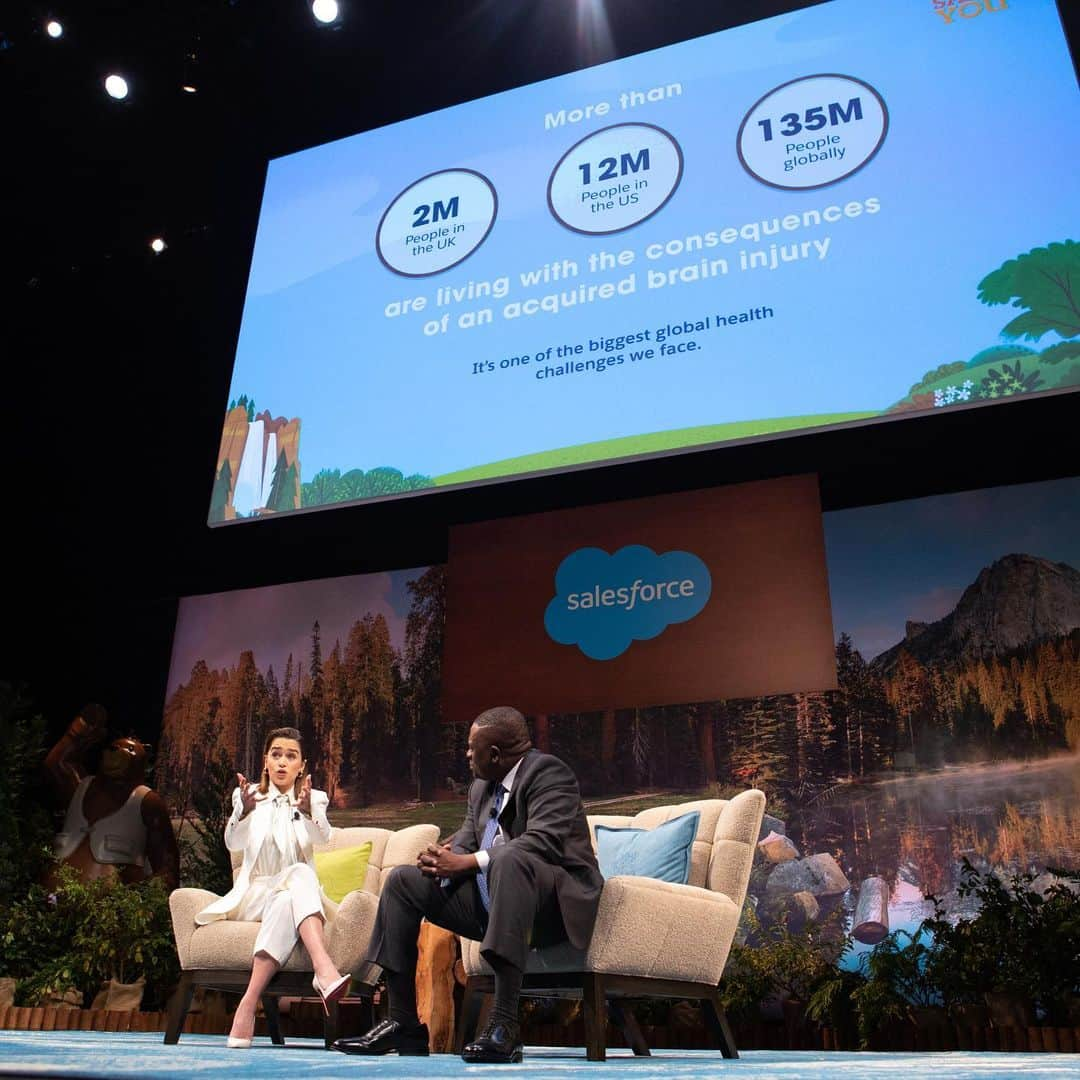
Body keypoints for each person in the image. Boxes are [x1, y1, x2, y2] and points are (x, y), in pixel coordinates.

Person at [333, 705, 604, 1064]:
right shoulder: (480, 787)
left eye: (471, 747)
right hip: (492, 900)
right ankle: (402, 1023)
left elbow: (542, 840)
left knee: (509, 859)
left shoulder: (549, 773)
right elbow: (468, 836)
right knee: (402, 881)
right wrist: (442, 859)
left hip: (550, 905)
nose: (466, 754)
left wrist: (465, 862)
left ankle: (505, 1025)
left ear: (494, 754)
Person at [195, 726, 349, 1048]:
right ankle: (324, 969)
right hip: (253, 895)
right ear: (265, 761)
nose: (282, 762)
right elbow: (232, 843)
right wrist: (244, 812)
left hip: (291, 898)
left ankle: (247, 1004)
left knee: (291, 889)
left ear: (301, 766)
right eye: (276, 754)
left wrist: (307, 813)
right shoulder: (248, 795)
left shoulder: (314, 798)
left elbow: (324, 839)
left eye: (290, 756)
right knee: (299, 876)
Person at [46, 704, 180, 891]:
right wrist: (82, 728)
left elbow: (167, 867)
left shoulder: (147, 802)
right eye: (114, 748)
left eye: (130, 750)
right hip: (50, 907)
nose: (118, 752)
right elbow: (57, 763)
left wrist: (144, 905)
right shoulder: (80, 788)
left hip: (112, 914)